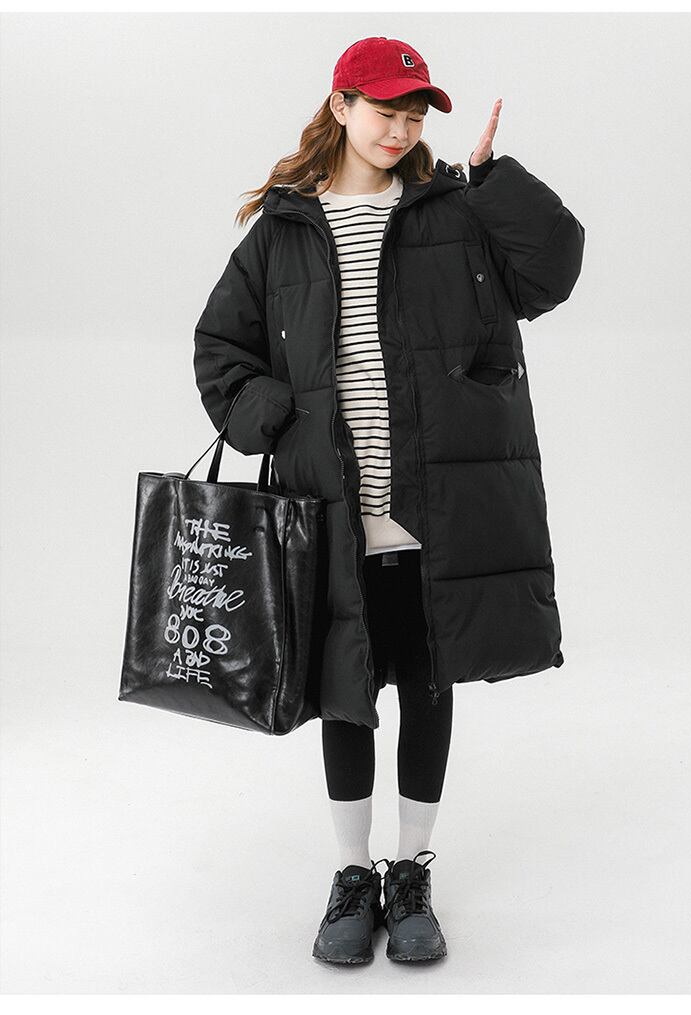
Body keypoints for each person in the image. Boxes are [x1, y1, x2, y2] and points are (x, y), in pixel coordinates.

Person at [193, 35, 585, 966]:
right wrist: (277, 416)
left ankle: (411, 870)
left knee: (427, 683)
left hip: (433, 505)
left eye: (414, 114)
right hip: (331, 509)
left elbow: (554, 271)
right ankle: (349, 873)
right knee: (345, 694)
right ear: (340, 107)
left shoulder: (456, 208)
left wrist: (492, 179)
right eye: (384, 110)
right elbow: (220, 348)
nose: (400, 129)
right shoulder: (284, 230)